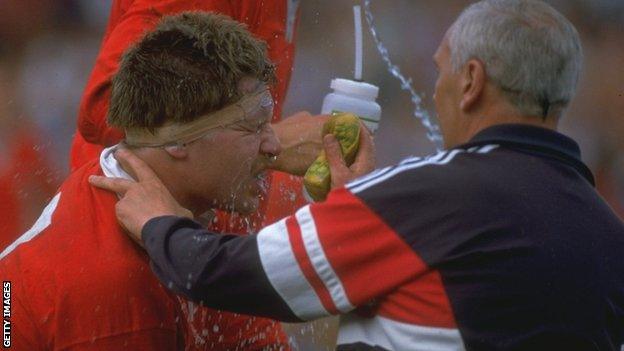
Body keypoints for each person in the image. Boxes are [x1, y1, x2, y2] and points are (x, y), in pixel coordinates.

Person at [91, 0, 624, 350]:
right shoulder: (607, 229)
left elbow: (237, 274)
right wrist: (351, 219)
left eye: (439, 71)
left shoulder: (429, 195)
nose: (433, 91)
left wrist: (160, 221)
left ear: (471, 82)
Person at [0, 12, 327, 350]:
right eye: (252, 127)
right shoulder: (120, 284)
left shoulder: (141, 187)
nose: (275, 146)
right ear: (176, 142)